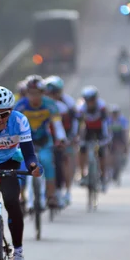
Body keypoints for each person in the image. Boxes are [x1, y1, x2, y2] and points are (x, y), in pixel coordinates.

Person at [0, 85, 42, 260]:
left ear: (12, 111)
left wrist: (33, 166)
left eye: (4, 114)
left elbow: (29, 153)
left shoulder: (19, 121)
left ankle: (17, 253)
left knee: (12, 202)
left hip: (8, 164)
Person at [14, 75, 66, 209]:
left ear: (43, 93)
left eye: (37, 94)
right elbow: (13, 126)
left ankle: (51, 195)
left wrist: (61, 139)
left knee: (47, 161)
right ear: (27, 93)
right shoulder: (20, 105)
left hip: (43, 140)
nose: (34, 97)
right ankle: (21, 195)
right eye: (31, 94)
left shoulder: (50, 104)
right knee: (21, 165)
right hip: (25, 140)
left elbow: (57, 124)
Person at [44, 75, 78, 206]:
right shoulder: (43, 103)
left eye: (55, 92)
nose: (52, 95)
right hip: (47, 135)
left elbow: (75, 120)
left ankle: (67, 191)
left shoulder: (68, 103)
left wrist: (72, 137)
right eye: (49, 92)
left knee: (65, 160)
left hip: (65, 133)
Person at [78, 86, 110, 192]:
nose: (90, 102)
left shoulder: (101, 107)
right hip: (87, 130)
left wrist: (106, 137)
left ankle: (103, 176)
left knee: (101, 152)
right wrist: (78, 137)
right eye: (88, 100)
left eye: (92, 100)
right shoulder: (81, 107)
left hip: (99, 130)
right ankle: (82, 174)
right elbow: (79, 124)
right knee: (82, 149)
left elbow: (106, 123)